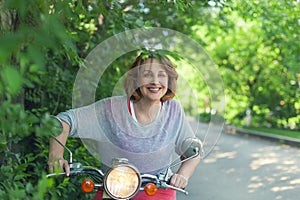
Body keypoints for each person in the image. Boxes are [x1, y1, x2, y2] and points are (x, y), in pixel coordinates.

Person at [48, 52, 201, 200]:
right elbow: (63, 121)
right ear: (135, 80)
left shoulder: (173, 110)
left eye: (161, 75)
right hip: (113, 189)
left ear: (169, 80)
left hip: (156, 190)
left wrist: (182, 176)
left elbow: (193, 152)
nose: (155, 81)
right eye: (147, 74)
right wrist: (56, 155)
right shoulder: (111, 109)